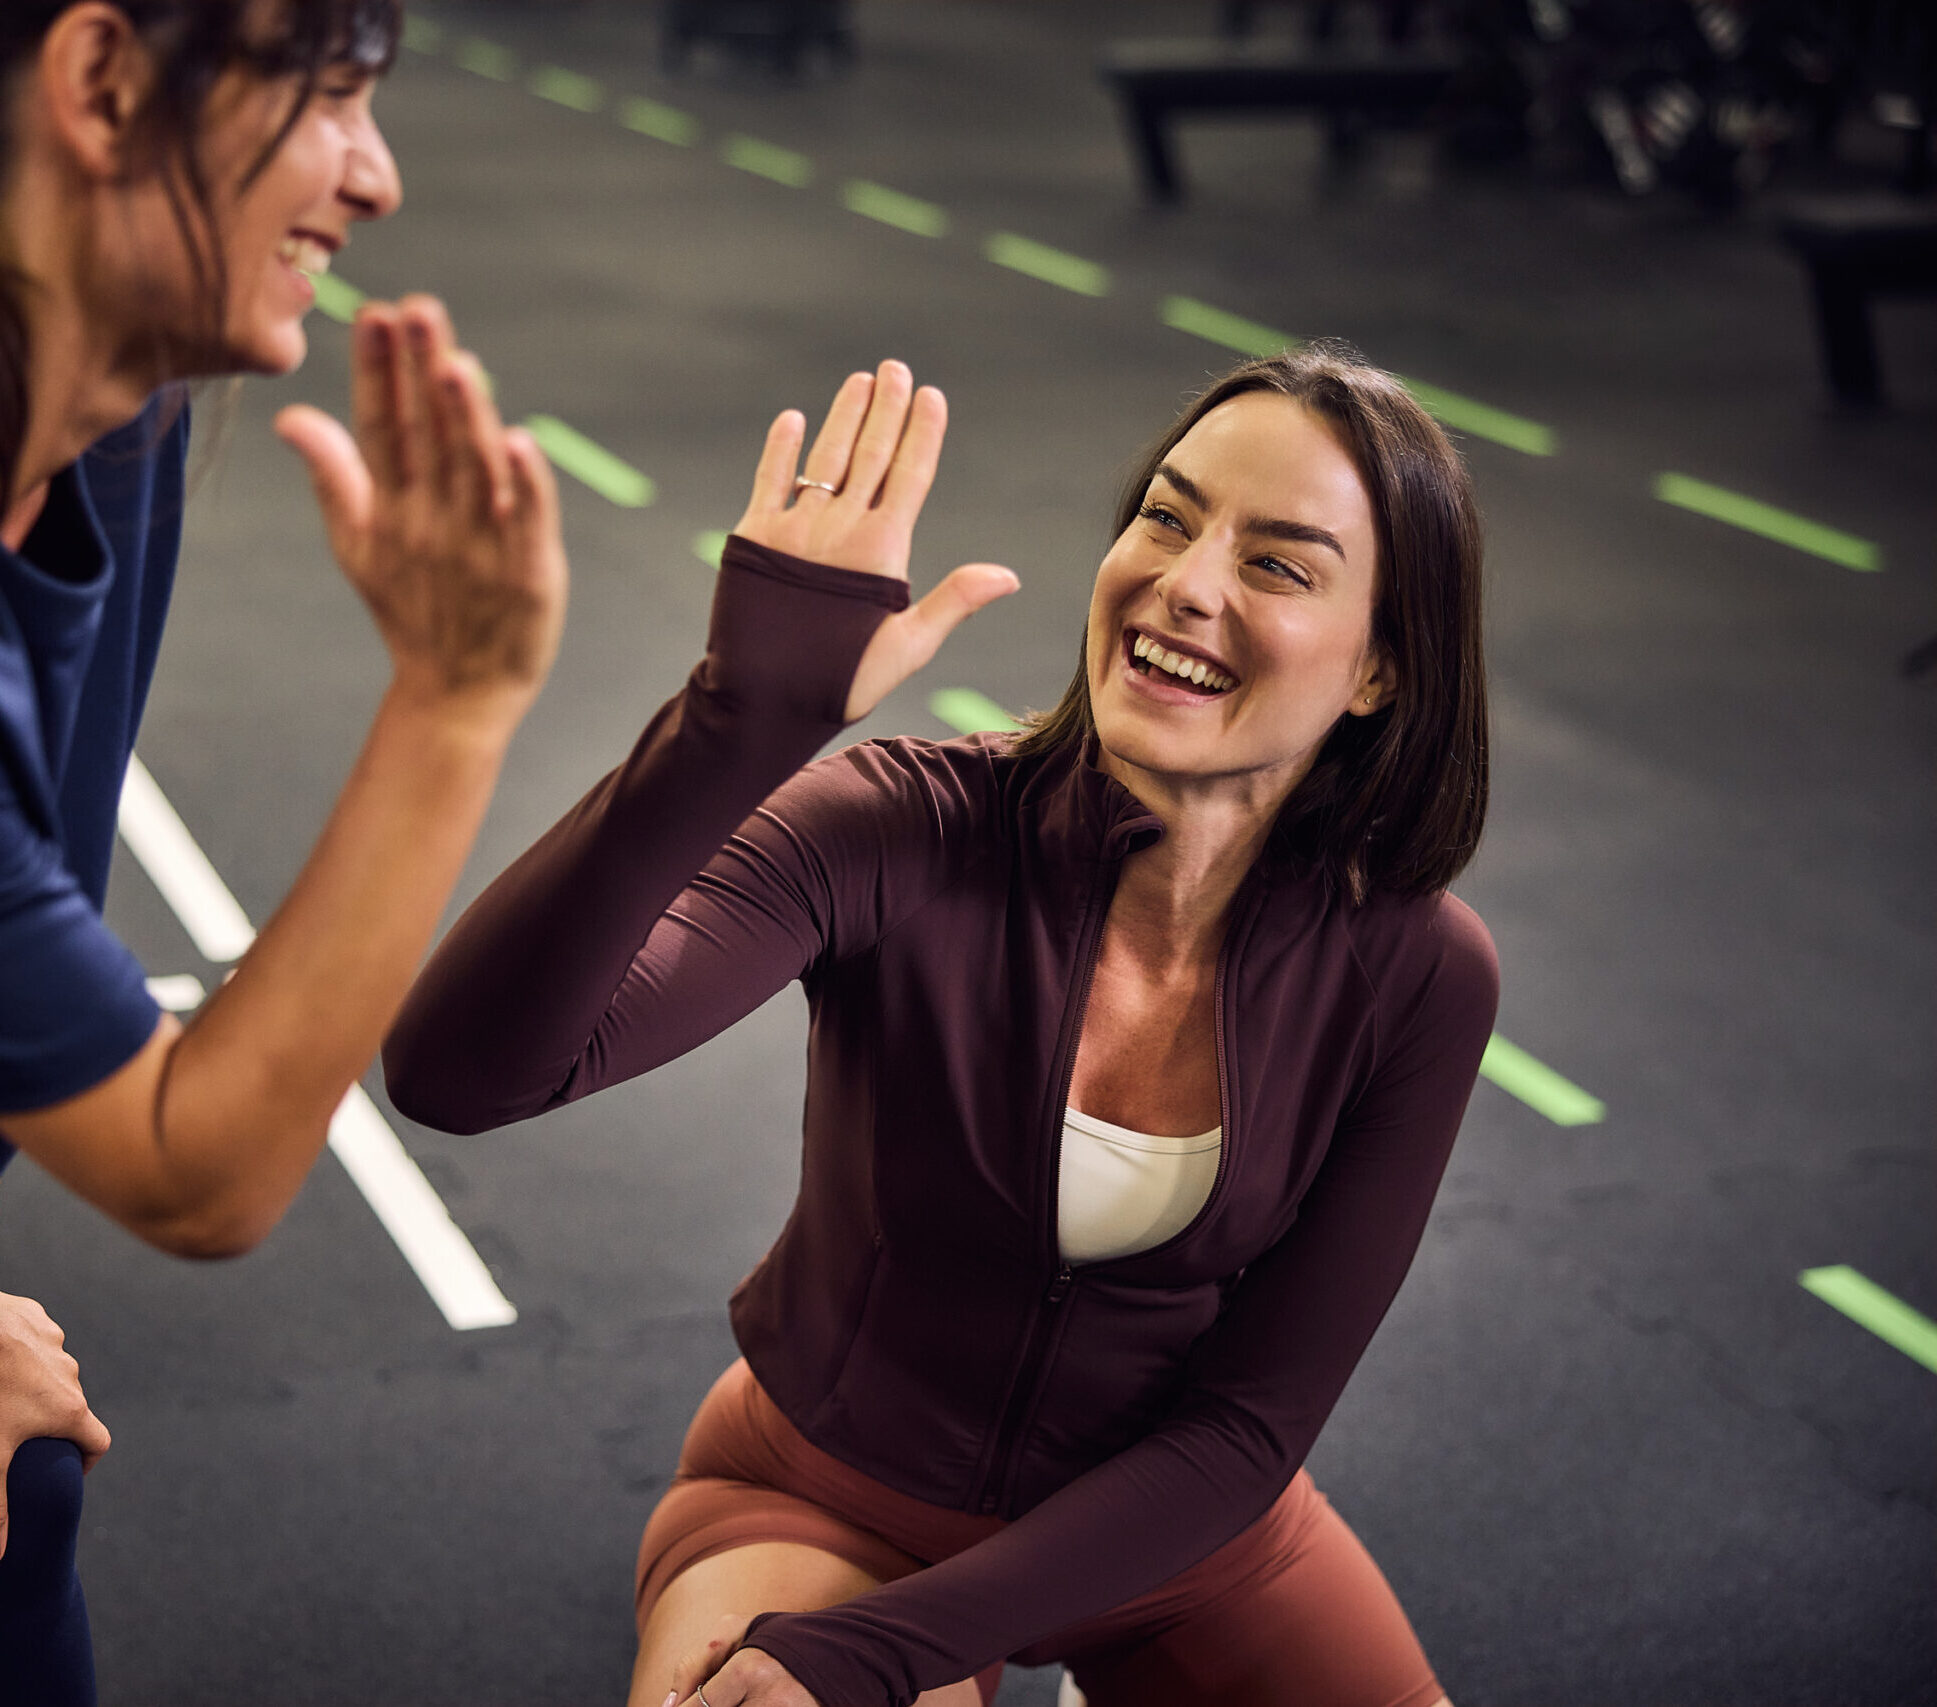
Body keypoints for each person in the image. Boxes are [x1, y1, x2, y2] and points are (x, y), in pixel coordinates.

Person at [386, 344, 1497, 1707]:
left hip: (1170, 1534)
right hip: (826, 1499)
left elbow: (1247, 1428)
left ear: (1379, 669)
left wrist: (882, 1654)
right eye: (1166, 517)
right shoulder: (898, 829)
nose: (1186, 581)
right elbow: (460, 1078)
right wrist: (736, 723)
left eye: (1275, 564)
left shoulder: (1421, 974)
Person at [0, 2, 568, 1699]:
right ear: (102, 84)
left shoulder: (118, 435)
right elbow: (197, 1168)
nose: (376, 177)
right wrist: (455, 702)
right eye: (328, 97)